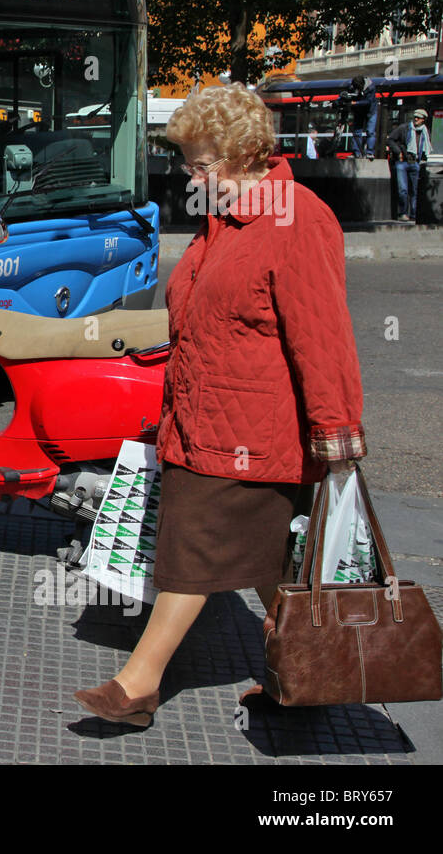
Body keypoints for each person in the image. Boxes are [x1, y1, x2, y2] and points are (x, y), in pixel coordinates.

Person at [73, 84, 365, 727]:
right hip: (199, 421)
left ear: (244, 154)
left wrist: (337, 430)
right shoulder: (224, 221)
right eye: (189, 162)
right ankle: (314, 679)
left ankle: (138, 684)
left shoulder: (297, 216)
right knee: (268, 568)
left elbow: (320, 332)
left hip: (257, 433)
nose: (190, 174)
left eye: (202, 163)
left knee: (193, 551)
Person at [386, 108, 432, 223]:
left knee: (414, 191)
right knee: (403, 190)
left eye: (419, 117)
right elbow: (390, 140)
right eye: (415, 116)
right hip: (402, 162)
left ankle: (413, 214)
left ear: (423, 120)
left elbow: (425, 148)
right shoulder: (404, 128)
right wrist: (398, 152)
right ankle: (403, 213)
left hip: (415, 163)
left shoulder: (425, 132)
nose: (416, 119)